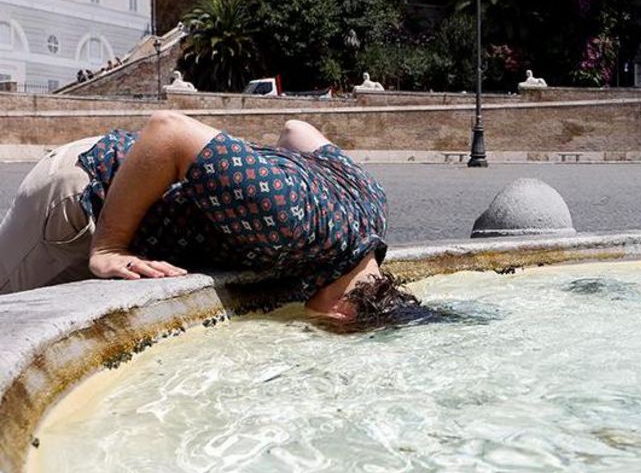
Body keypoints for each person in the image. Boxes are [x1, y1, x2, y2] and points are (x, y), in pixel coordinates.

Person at [0, 112, 419, 327]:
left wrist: (245, 177)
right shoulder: (291, 222)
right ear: (342, 313)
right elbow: (168, 130)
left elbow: (296, 130)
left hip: (117, 181)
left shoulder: (371, 205)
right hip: (80, 192)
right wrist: (111, 246)